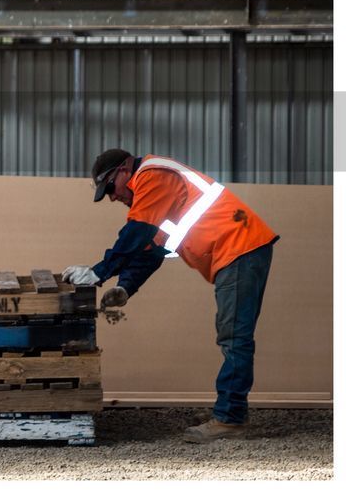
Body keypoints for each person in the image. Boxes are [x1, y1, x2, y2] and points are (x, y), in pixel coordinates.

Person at [62, 149, 277, 443]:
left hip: (241, 248)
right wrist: (126, 286)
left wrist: (100, 271)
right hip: (238, 250)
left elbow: (136, 233)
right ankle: (227, 410)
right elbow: (151, 250)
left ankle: (230, 419)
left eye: (110, 188)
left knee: (234, 336)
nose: (112, 197)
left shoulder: (152, 175)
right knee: (232, 335)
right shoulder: (156, 195)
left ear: (125, 169)